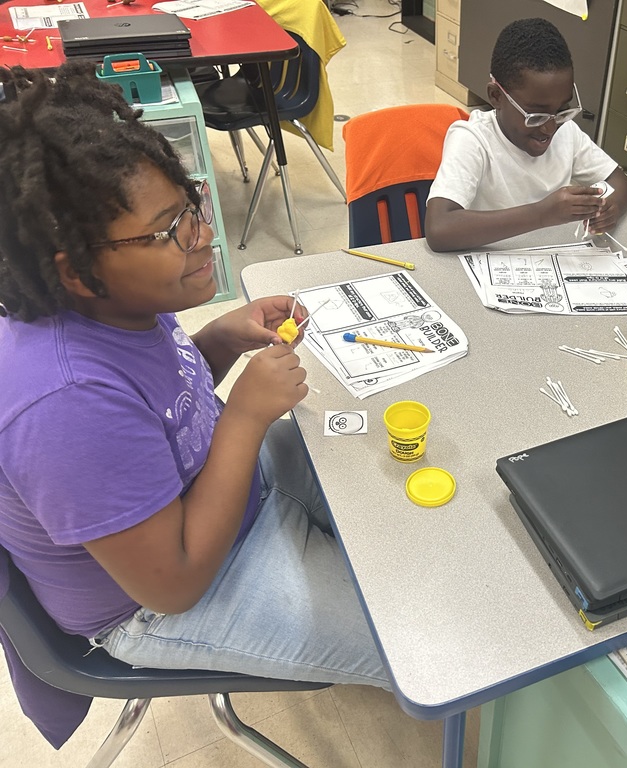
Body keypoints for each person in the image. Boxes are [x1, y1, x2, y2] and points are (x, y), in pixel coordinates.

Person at [0, 63, 387, 691]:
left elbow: (161, 412)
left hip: (216, 495)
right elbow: (173, 584)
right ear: (76, 272)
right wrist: (244, 416)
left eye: (192, 207)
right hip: (156, 603)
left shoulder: (117, 306)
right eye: (170, 231)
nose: (204, 237)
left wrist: (218, 340)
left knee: (388, 495)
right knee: (419, 642)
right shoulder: (65, 401)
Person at [425, 17, 627, 252]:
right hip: (489, 264)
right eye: (536, 116)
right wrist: (542, 214)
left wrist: (609, 209)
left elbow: (620, 181)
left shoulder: (567, 133)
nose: (550, 128)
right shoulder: (473, 140)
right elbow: (439, 229)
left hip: (548, 258)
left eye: (562, 111)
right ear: (496, 97)